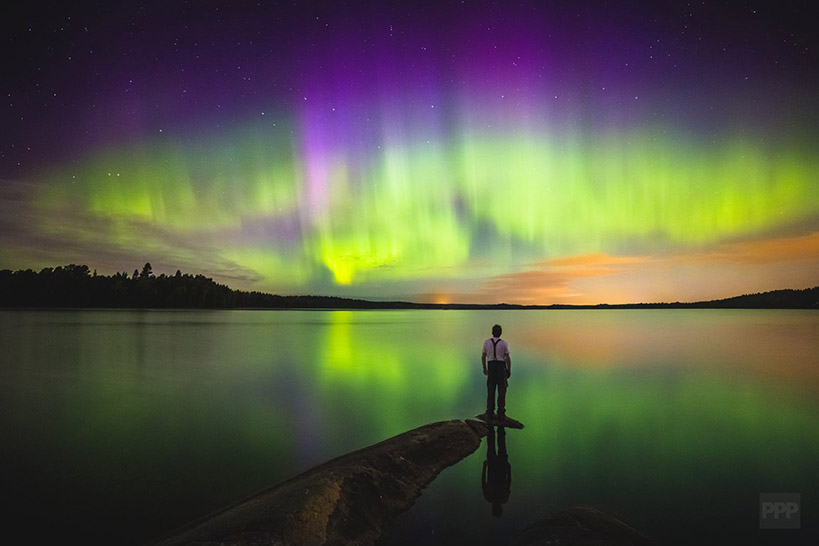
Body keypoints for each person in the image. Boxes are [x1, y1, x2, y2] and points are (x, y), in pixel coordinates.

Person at [482, 324, 511, 419]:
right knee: (502, 389)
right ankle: (501, 411)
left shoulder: (486, 342)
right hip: (500, 367)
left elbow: (483, 356)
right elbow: (507, 358)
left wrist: (484, 368)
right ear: (500, 333)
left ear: (492, 332)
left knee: (491, 389)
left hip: (491, 366)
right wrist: (509, 370)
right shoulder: (504, 343)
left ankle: (490, 411)